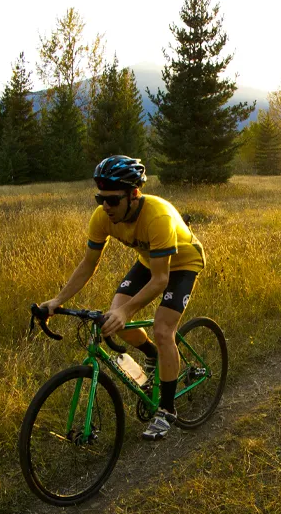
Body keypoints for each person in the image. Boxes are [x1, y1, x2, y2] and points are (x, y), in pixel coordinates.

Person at [39, 155, 205, 440]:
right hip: (149, 260)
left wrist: (127, 311)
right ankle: (152, 355)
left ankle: (167, 410)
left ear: (134, 194)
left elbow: (161, 280)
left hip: (182, 263)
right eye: (100, 198)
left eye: (113, 200)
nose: (106, 206)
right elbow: (88, 264)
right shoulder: (102, 217)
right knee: (116, 321)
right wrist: (58, 300)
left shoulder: (158, 216)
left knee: (163, 329)